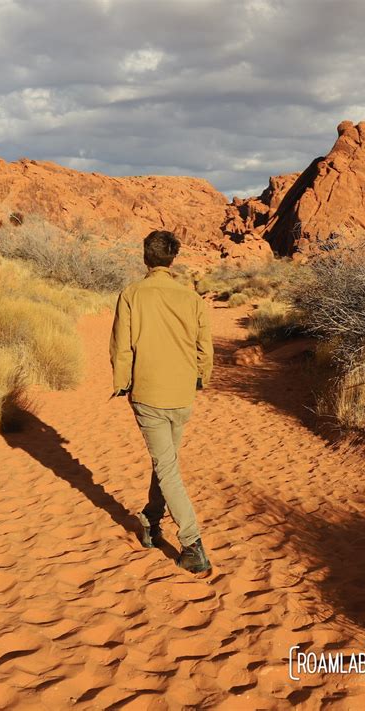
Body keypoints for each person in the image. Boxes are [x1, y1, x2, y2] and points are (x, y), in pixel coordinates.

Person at [109, 230, 213, 574]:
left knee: (167, 467)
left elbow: (121, 346)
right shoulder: (191, 298)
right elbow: (204, 347)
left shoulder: (132, 294)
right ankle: (152, 521)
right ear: (173, 259)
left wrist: (121, 381)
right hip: (183, 393)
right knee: (165, 460)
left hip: (149, 393)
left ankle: (192, 544)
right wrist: (202, 377)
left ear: (145, 256)